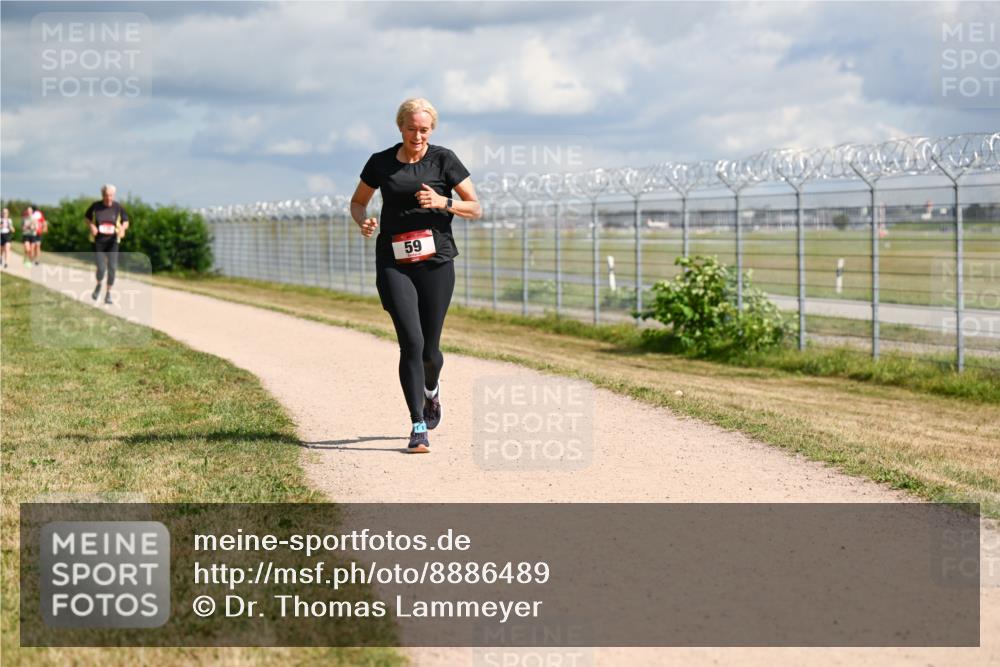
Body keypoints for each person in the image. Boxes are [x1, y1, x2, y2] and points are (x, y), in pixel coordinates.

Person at [351, 98, 481, 453]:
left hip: (436, 261)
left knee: (430, 351)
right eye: (412, 129)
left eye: (424, 130)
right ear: (400, 127)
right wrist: (362, 219)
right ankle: (417, 425)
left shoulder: (444, 159)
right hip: (394, 260)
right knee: (411, 342)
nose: (418, 136)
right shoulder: (380, 162)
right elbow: (358, 200)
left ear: (432, 130)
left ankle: (432, 390)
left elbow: (476, 207)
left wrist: (443, 202)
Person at [84, 184, 130, 305]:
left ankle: (108, 293)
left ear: (113, 195)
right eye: (106, 195)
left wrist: (123, 229)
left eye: (110, 195)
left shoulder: (118, 207)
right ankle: (99, 284)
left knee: (112, 268)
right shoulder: (96, 206)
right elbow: (87, 218)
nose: (108, 198)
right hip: (98, 241)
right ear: (102, 195)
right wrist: (91, 226)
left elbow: (126, 221)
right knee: (101, 267)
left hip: (113, 241)